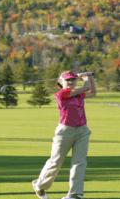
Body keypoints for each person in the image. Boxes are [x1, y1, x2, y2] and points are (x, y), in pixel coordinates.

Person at [32, 71, 96, 199]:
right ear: (60, 83)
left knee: (79, 162)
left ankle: (74, 194)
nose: (71, 82)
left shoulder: (78, 94)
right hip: (65, 131)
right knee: (56, 161)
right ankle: (40, 185)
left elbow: (92, 92)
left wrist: (90, 78)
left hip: (82, 130)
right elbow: (86, 87)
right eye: (68, 80)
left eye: (73, 79)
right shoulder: (62, 93)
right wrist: (85, 78)